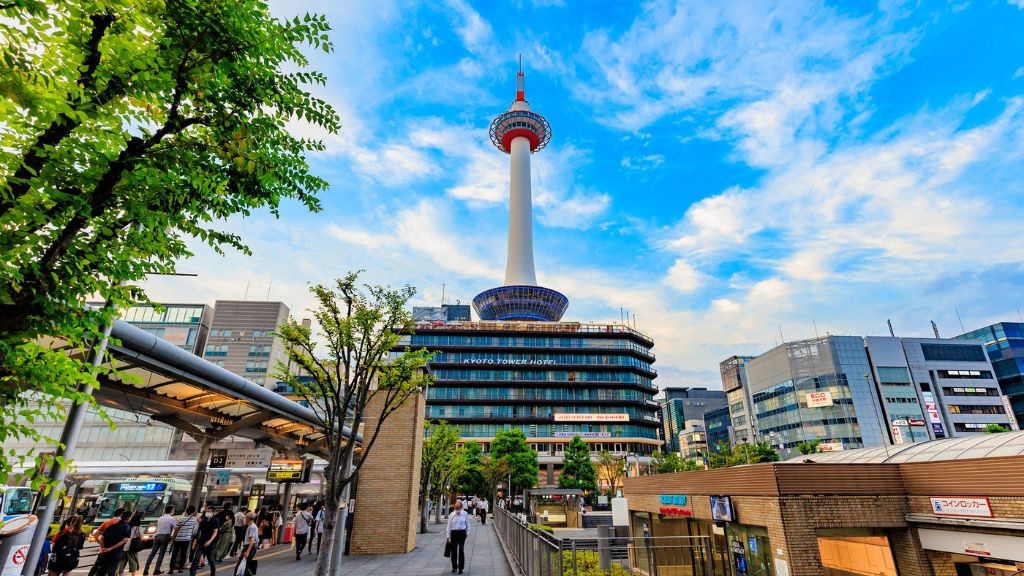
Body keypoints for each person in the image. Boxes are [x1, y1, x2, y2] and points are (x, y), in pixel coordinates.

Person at [87, 508, 126, 576]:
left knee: (98, 566)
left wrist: (101, 545)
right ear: (121, 514)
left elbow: (95, 534)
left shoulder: (107, 522)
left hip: (104, 549)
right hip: (115, 550)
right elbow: (125, 539)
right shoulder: (123, 524)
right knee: (112, 569)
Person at [95, 510, 132, 576]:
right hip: (116, 552)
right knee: (112, 570)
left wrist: (103, 548)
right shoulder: (127, 527)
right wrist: (111, 548)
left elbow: (101, 538)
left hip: (105, 552)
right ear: (128, 518)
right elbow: (124, 541)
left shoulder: (111, 526)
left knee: (101, 570)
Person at [143, 505, 176, 576]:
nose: (174, 511)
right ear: (171, 510)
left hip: (157, 536)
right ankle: (156, 570)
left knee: (152, 554)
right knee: (161, 554)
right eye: (173, 509)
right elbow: (176, 527)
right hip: (165, 537)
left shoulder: (160, 518)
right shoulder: (172, 518)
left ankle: (145, 570)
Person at [189, 505, 219, 576]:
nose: (207, 513)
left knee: (210, 559)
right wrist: (196, 540)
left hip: (211, 543)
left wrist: (210, 541)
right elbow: (199, 530)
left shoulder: (215, 520)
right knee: (196, 559)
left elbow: (215, 532)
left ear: (213, 512)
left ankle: (213, 574)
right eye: (206, 511)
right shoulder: (203, 519)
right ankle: (192, 574)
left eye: (209, 512)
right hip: (201, 541)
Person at [168, 506, 197, 575]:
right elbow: (194, 530)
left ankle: (171, 569)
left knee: (174, 554)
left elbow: (176, 529)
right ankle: (180, 568)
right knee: (183, 554)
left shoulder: (182, 519)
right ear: (193, 512)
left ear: (186, 511)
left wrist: (172, 539)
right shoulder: (194, 520)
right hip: (186, 539)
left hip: (178, 539)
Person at [446, 500, 471, 575]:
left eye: (458, 508)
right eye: (455, 508)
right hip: (453, 533)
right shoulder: (451, 514)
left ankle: (460, 568)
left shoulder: (465, 514)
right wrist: (448, 536)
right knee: (454, 550)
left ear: (461, 507)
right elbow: (448, 526)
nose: (456, 510)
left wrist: (467, 533)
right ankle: (454, 567)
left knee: (461, 549)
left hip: (461, 533)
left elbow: (468, 524)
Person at [116, 512, 143, 576]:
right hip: (132, 547)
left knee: (122, 561)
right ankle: (133, 575)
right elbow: (141, 538)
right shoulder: (138, 528)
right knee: (133, 562)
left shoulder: (127, 526)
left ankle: (120, 574)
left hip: (124, 545)